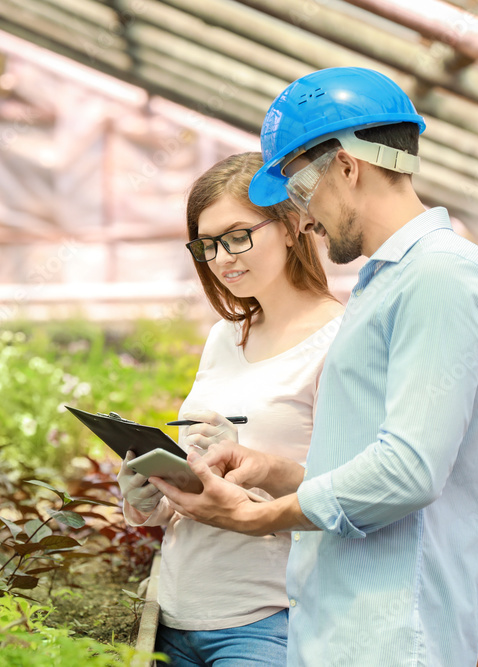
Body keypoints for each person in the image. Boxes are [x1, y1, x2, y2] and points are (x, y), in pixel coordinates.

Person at [151, 67, 478, 666]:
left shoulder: (442, 273)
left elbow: (408, 470)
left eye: (300, 193)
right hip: (342, 624)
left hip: (397, 632)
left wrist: (260, 517)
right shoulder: (384, 282)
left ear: (347, 167)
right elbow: (355, 464)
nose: (306, 220)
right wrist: (268, 468)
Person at [117, 152, 344, 666]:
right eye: (207, 245)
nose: (221, 258)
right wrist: (149, 495)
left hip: (266, 622)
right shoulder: (224, 337)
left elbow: (354, 494)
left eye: (238, 235)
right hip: (173, 615)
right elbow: (198, 482)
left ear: (290, 226)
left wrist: (259, 469)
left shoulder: (339, 341)